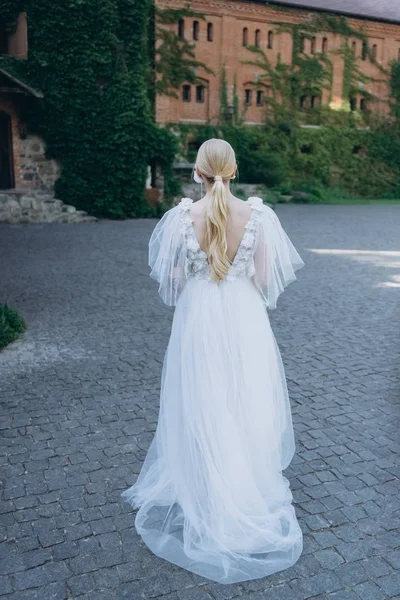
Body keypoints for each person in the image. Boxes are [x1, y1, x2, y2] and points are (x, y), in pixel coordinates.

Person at [121, 138, 304, 584]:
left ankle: (205, 482)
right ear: (234, 172)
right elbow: (264, 281)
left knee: (202, 397)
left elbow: (174, 280)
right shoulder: (259, 216)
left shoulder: (180, 217)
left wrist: (201, 273)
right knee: (244, 398)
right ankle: (242, 482)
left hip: (199, 318)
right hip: (243, 318)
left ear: (198, 174)